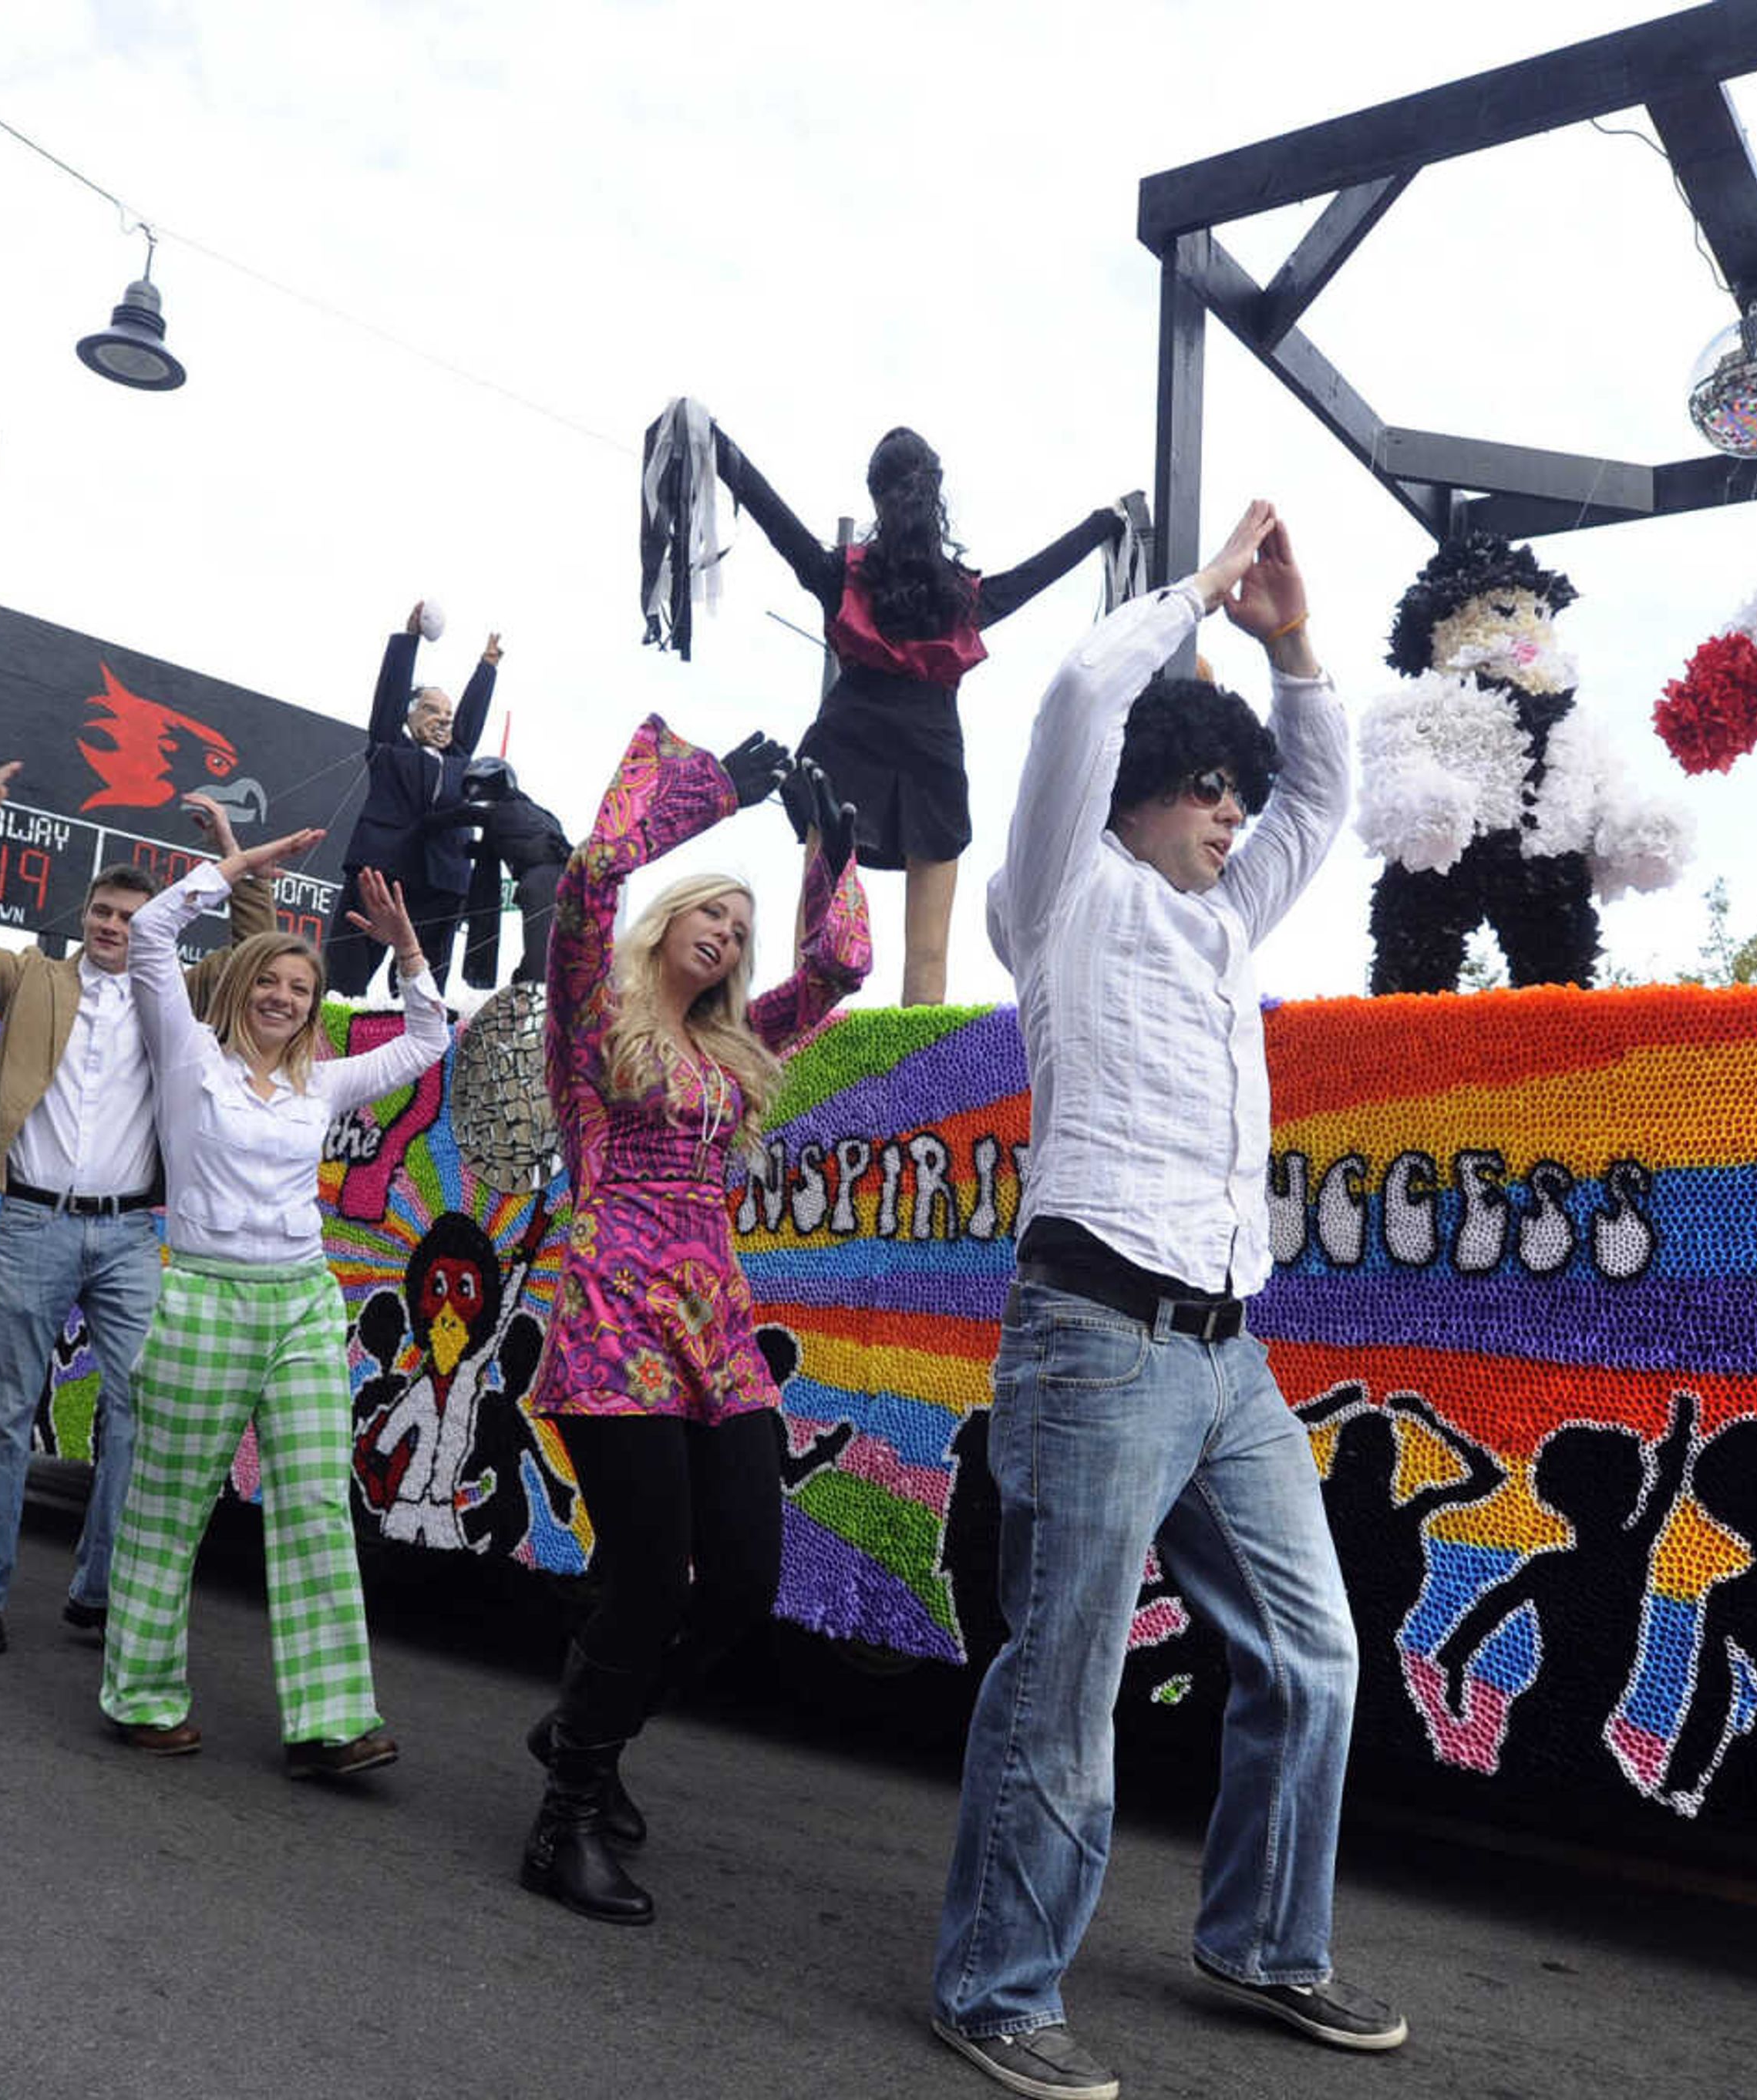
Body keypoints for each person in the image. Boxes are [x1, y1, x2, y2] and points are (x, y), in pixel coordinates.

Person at [930, 503, 1403, 2100]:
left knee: (1315, 1656)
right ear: (1140, 788)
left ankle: (1265, 1944)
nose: (1229, 811)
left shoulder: (1224, 923)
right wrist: (1195, 591)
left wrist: (1290, 652)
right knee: (1065, 1679)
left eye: (1233, 790)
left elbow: (1322, 794)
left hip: (1225, 1354)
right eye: (1202, 785)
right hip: (1094, 1339)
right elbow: (1071, 699)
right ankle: (998, 1987)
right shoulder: (1062, 895)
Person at [517, 722, 872, 1926]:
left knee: (741, 1580)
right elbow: (584, 880)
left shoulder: (738, 1042)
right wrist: (718, 790)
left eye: (739, 926)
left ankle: (583, 1722)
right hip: (614, 1313)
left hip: (714, 1322)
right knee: (644, 1578)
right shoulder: (593, 1023)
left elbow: (839, 972)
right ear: (666, 922)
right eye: (708, 914)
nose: (724, 934)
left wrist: (827, 849)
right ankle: (564, 1814)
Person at [99, 815, 450, 1771]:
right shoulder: (188, 1057)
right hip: (205, 1297)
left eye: (301, 988)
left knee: (313, 1506)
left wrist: (408, 947)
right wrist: (235, 868)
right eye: (269, 981)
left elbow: (428, 1038)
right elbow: (155, 937)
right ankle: (139, 1693)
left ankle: (331, 1723)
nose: (285, 998)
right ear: (238, 987)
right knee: (171, 1505)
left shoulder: (322, 1085)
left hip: (300, 1302)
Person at [0, 760, 273, 1655]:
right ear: (85, 921)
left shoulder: (178, 992)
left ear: (151, 928)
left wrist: (233, 859)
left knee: (138, 1414)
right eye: (103, 915)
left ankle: (101, 1590)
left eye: (129, 918)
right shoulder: (32, 980)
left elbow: (261, 958)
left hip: (127, 1234)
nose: (115, 928)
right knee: (2, 1415)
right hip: (34, 1221)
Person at [669, 405, 1129, 1005]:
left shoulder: (841, 575)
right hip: (933, 758)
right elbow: (1033, 575)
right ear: (935, 494)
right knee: (929, 955)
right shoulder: (963, 597)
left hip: (843, 748)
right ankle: (916, 1093)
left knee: (816, 940)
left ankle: (801, 1069)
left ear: (874, 495)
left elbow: (771, 513)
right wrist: (1104, 522)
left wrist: (715, 442)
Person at [330, 603, 499, 996]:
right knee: (344, 979)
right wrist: (409, 640)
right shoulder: (389, 748)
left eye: (448, 714)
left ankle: (414, 1048)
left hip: (441, 882)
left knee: (423, 987)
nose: (443, 719)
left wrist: (487, 667)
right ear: (408, 716)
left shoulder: (459, 762)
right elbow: (388, 696)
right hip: (380, 873)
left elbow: (469, 724)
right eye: (431, 710)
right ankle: (328, 1043)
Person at [429, 755, 573, 988]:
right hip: (561, 882)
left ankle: (528, 1002)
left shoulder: (505, 810)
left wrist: (421, 826)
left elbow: (467, 816)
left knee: (541, 966)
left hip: (543, 882)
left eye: (477, 786)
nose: (474, 795)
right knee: (547, 959)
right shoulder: (535, 813)